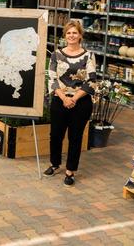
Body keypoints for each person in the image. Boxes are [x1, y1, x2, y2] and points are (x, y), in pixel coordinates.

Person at [45, 20, 96, 187]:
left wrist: (74, 98)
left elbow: (91, 81)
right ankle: (54, 163)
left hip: (80, 102)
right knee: (56, 135)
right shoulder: (56, 55)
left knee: (75, 137)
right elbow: (52, 79)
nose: (72, 35)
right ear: (64, 36)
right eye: (68, 33)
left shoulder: (88, 55)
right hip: (60, 100)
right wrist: (64, 97)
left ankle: (70, 171)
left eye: (75, 32)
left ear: (80, 35)